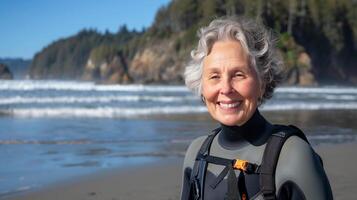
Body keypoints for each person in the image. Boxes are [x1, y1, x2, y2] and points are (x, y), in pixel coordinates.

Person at [180, 16, 333, 200]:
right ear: (201, 86)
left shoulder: (294, 156)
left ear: (262, 82)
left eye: (238, 74)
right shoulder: (196, 154)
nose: (226, 88)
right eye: (214, 76)